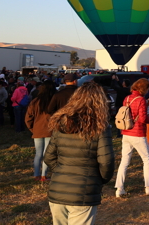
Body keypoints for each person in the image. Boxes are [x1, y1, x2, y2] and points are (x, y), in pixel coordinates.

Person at [44, 82, 114, 225]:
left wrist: (61, 172)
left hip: (58, 189)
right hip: (84, 190)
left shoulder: (61, 122)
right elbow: (106, 161)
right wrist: (101, 179)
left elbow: (49, 157)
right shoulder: (100, 127)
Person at [115, 78, 149, 197]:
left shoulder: (127, 98)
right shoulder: (141, 100)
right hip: (138, 133)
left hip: (126, 132)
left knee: (124, 161)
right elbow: (143, 119)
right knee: (147, 160)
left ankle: (119, 188)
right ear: (144, 89)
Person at [25, 82, 55, 181]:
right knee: (47, 153)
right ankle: (44, 175)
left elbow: (28, 118)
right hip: (50, 130)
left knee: (38, 154)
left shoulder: (35, 101)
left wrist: (32, 129)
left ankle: (36, 174)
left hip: (37, 130)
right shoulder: (53, 101)